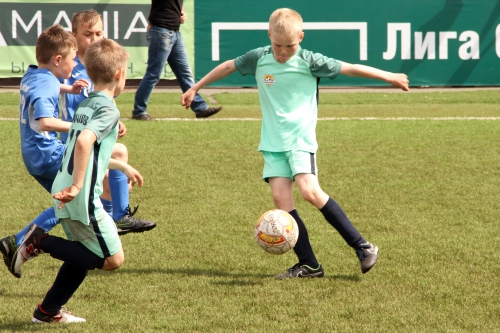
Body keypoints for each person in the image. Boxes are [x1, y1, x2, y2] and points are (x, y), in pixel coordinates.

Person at [181, 8, 410, 279]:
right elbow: (229, 65)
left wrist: (389, 76)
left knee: (310, 192)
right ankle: (310, 265)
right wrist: (196, 87)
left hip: (300, 140)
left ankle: (363, 246)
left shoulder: (310, 60)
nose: (283, 51)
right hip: (272, 142)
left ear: (301, 37)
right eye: (278, 45)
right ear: (269, 36)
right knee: (281, 200)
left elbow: (349, 68)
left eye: (290, 45)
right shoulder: (259, 58)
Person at [0, 22, 155, 279]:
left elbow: (45, 87)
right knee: (75, 197)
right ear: (58, 59)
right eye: (72, 60)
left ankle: (20, 241)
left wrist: (67, 88)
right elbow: (45, 122)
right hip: (47, 151)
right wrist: (84, 127)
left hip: (34, 153)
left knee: (70, 202)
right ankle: (28, 240)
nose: (74, 66)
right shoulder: (49, 85)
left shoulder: (34, 75)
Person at [12, 37, 136, 323]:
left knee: (82, 253)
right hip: (80, 198)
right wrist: (79, 186)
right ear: (119, 75)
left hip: (66, 189)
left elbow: (83, 148)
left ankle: (47, 311)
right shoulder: (107, 109)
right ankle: (39, 242)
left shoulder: (86, 104)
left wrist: (121, 166)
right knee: (112, 260)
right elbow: (83, 142)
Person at [132, 0, 222, 120]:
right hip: (161, 31)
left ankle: (200, 108)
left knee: (184, 73)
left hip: (174, 32)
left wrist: (182, 12)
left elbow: (177, 5)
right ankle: (139, 111)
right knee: (153, 74)